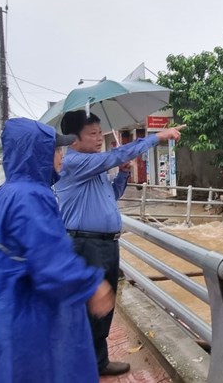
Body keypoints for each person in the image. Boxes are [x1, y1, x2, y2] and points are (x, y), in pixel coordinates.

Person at [55, 110, 182, 376]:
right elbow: (115, 155)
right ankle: (85, 364)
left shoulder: (92, 164)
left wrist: (122, 176)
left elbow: (110, 196)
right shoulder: (76, 162)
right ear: (73, 140)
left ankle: (96, 361)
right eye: (92, 134)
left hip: (104, 245)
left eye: (99, 132)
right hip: (86, 245)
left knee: (103, 308)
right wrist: (156, 137)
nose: (98, 138)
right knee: (91, 308)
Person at [0, 118, 115, 383]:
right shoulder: (33, 196)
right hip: (31, 312)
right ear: (39, 153)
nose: (61, 155)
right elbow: (48, 259)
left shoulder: (5, 193)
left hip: (7, 302)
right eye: (56, 149)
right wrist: (91, 285)